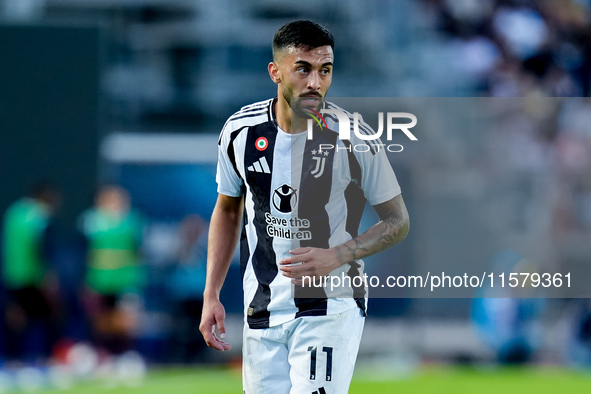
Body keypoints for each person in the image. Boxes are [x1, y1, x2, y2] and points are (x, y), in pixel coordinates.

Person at [200, 20, 409, 393]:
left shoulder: (353, 136)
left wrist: (338, 255)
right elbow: (228, 209)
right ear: (275, 72)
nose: (315, 82)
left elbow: (398, 221)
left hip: (329, 307)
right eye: (304, 69)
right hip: (261, 308)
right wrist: (211, 293)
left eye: (325, 70)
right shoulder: (239, 132)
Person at [78, 185, 145, 355]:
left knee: (125, 320)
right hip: (98, 280)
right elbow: (84, 251)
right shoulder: (90, 220)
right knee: (101, 321)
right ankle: (101, 355)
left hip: (126, 279)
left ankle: (124, 355)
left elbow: (138, 250)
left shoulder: (132, 220)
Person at [1, 182, 61, 361]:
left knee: (15, 318)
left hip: (12, 274)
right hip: (32, 275)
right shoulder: (39, 215)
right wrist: (47, 274)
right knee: (49, 317)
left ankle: (13, 360)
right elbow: (40, 247)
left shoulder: (14, 212)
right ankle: (45, 358)